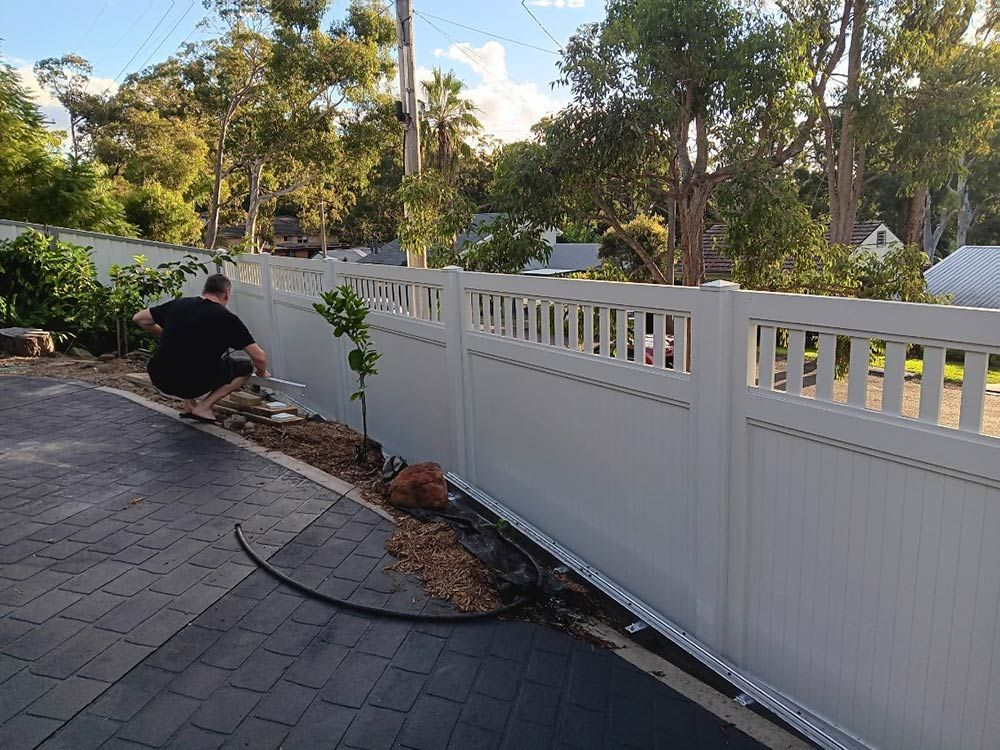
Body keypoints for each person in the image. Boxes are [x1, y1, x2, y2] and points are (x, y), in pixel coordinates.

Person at [132, 273, 268, 424]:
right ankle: (204, 407)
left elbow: (139, 319)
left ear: (205, 290)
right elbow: (259, 358)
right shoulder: (227, 319)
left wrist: (166, 333)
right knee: (245, 367)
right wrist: (261, 372)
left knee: (187, 351)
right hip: (195, 383)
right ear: (226, 295)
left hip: (160, 377)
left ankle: (189, 404)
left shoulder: (179, 304)